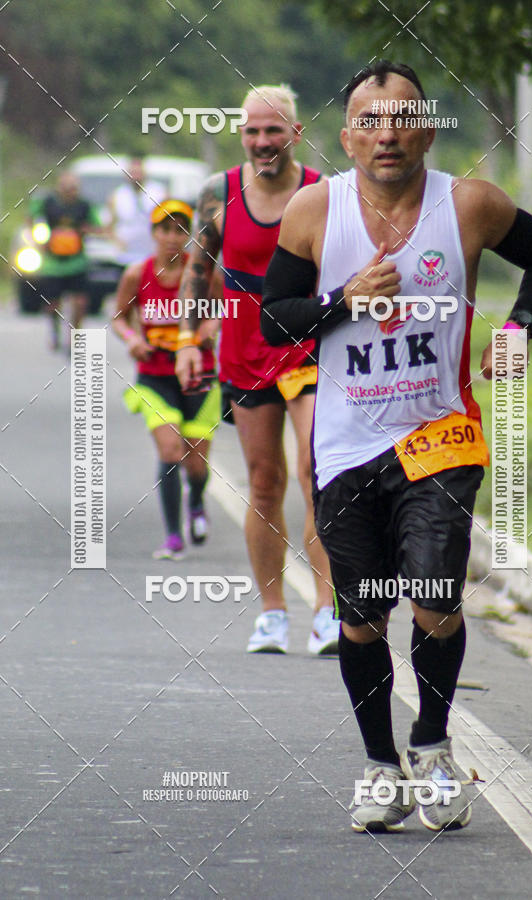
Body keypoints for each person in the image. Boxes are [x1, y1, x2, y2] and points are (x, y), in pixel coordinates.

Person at [260, 60, 532, 831]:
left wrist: (516, 327)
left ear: (427, 128)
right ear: (348, 137)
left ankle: (430, 745)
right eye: (369, 120)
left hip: (440, 436)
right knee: (361, 615)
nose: (386, 133)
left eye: (401, 118)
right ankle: (378, 766)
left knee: (435, 594)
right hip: (347, 446)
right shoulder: (311, 211)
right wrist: (341, 300)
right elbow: (275, 322)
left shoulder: (469, 205)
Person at [176, 84, 339, 655]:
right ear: (241, 135)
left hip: (311, 346)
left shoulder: (326, 192)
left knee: (317, 475)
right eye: (252, 131)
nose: (262, 141)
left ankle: (327, 611)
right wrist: (189, 339)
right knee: (263, 482)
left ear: (295, 133)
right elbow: (198, 269)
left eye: (274, 130)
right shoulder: (217, 194)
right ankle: (271, 613)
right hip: (245, 351)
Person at [113, 200, 220, 559]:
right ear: (154, 233)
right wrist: (133, 340)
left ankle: (197, 501)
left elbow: (222, 311)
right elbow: (119, 318)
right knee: (171, 450)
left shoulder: (204, 273)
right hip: (155, 376)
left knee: (196, 464)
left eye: (180, 230)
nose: (172, 238)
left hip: (199, 375)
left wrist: (207, 330)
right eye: (165, 229)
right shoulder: (137, 274)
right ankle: (173, 536)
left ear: (188, 235)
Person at [30, 172, 101, 351]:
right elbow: (32, 220)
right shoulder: (47, 203)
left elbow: (97, 226)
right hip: (53, 264)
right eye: (67, 188)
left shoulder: (85, 206)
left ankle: (75, 336)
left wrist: (88, 229)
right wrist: (40, 239)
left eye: (74, 188)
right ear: (59, 188)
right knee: (52, 304)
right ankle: (54, 332)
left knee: (80, 302)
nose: (71, 192)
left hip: (77, 261)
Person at [108, 157, 167, 268]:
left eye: (138, 172)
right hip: (125, 256)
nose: (135, 176)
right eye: (132, 172)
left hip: (152, 254)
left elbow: (167, 222)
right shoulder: (117, 195)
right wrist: (117, 241)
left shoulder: (159, 193)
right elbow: (110, 225)